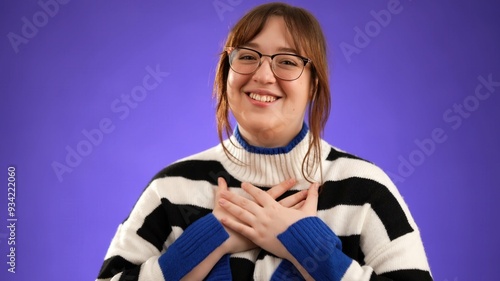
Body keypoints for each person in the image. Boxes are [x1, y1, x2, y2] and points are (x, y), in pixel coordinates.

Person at [96, 2, 433, 280]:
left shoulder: (365, 190)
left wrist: (303, 244)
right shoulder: (171, 188)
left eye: (287, 61)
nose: (262, 75)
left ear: (314, 84)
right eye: (247, 56)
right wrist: (211, 238)